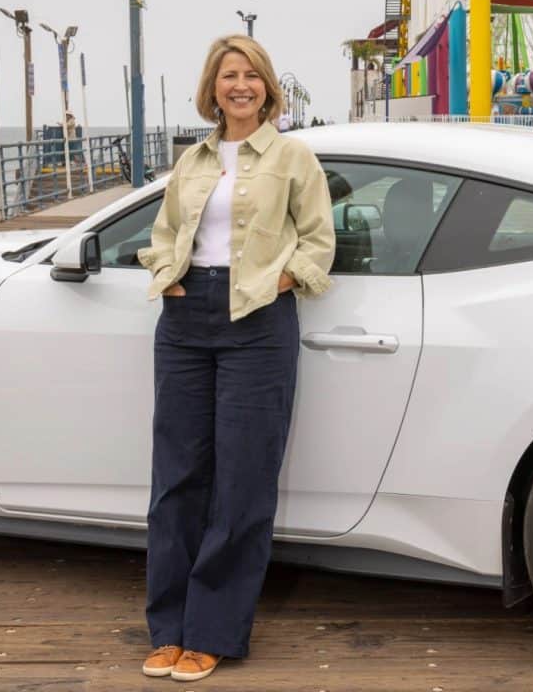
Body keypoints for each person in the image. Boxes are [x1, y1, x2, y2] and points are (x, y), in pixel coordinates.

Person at [136, 35, 335, 682]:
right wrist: (166, 275)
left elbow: (318, 240)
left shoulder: (292, 156)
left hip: (257, 320)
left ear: (267, 87)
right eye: (228, 75)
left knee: (242, 483)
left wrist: (280, 281)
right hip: (185, 319)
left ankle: (211, 633)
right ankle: (168, 629)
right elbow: (164, 232)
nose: (240, 85)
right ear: (212, 88)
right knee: (176, 480)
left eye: (251, 75)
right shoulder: (191, 160)